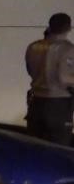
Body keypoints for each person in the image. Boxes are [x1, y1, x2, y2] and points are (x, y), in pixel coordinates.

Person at [26, 13, 74, 146]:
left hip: (36, 103)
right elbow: (64, 77)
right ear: (69, 28)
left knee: (33, 146)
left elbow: (30, 71)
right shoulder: (68, 49)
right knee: (57, 151)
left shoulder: (33, 47)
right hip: (58, 106)